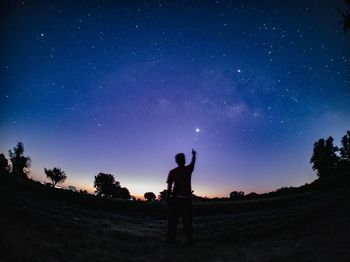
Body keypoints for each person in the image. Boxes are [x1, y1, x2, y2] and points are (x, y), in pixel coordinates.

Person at [166, 149, 197, 245]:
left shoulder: (173, 172)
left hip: (177, 201)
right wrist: (193, 155)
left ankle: (171, 241)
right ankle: (189, 241)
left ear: (176, 161)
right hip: (185, 201)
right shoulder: (188, 169)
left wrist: (168, 199)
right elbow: (193, 162)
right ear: (183, 160)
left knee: (173, 222)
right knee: (187, 223)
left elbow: (169, 188)